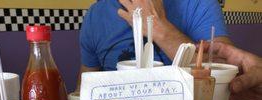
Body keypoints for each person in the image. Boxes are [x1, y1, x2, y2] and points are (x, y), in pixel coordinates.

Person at [79, 0, 231, 76]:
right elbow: (83, 89)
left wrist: (159, 28)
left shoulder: (199, 4)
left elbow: (224, 79)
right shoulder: (96, 14)